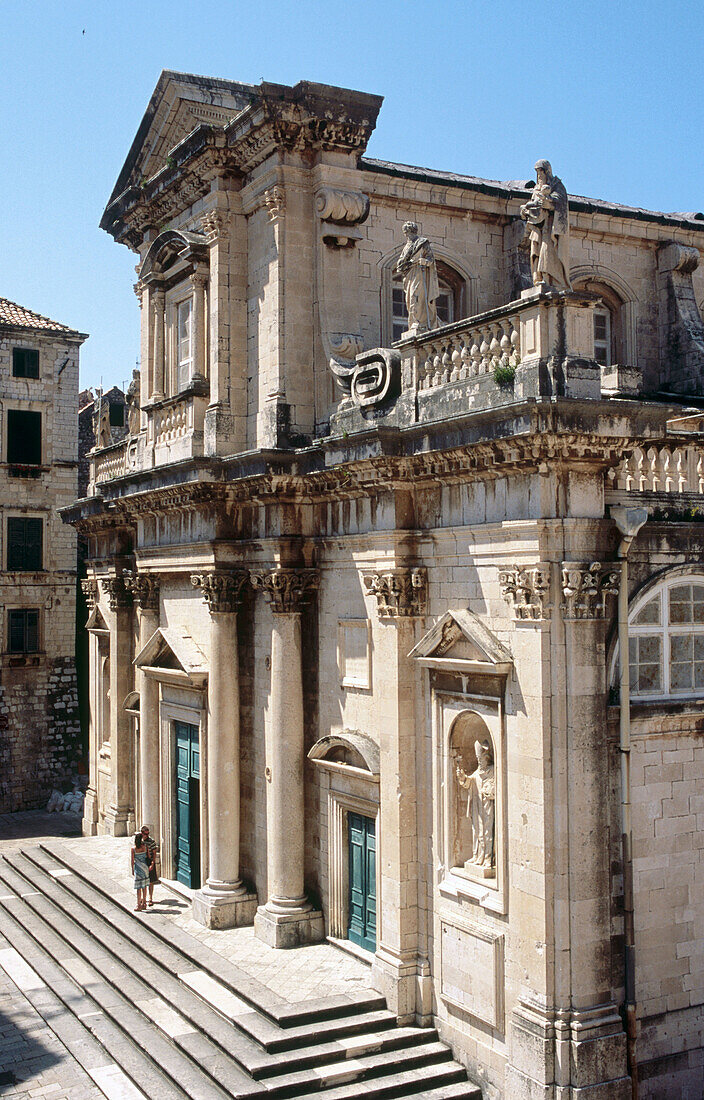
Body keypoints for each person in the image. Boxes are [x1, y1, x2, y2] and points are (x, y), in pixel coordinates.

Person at [520, 160, 571, 290]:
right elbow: (533, 205)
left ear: (547, 171)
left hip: (549, 227)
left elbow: (560, 203)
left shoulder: (556, 185)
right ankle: (538, 278)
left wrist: (548, 202)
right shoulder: (537, 188)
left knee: (547, 251)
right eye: (537, 172)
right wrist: (526, 211)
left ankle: (550, 279)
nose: (539, 175)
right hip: (537, 226)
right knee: (535, 252)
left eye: (541, 171)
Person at [455, 739, 495, 872]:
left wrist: (489, 791)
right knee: (476, 830)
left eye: (481, 758)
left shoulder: (492, 771)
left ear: (486, 758)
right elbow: (468, 783)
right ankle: (477, 855)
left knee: (487, 832)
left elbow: (494, 788)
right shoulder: (477, 773)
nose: (479, 761)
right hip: (477, 806)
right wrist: (462, 777)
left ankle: (488, 858)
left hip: (487, 806)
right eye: (478, 759)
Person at [395, 221, 440, 332]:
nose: (406, 235)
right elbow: (400, 264)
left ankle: (419, 323)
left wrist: (424, 261)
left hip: (420, 272)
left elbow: (430, 259)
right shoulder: (407, 246)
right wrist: (405, 263)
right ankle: (414, 322)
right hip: (409, 275)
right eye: (405, 233)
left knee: (416, 297)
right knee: (409, 299)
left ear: (412, 232)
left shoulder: (422, 243)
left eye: (407, 233)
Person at [131, 832, 152, 911]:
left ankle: (138, 905)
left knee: (138, 888)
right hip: (145, 868)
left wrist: (133, 870)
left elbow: (132, 861)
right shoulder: (145, 847)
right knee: (144, 886)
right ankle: (144, 903)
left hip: (138, 869)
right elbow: (149, 857)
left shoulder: (133, 849)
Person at [140, 824, 159, 907]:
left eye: (148, 834)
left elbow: (154, 853)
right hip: (142, 862)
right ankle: (143, 898)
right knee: (142, 882)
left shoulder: (152, 842)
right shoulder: (139, 841)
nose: (147, 836)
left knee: (151, 882)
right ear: (142, 833)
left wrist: (152, 864)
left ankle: (150, 898)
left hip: (149, 862)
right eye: (145, 834)